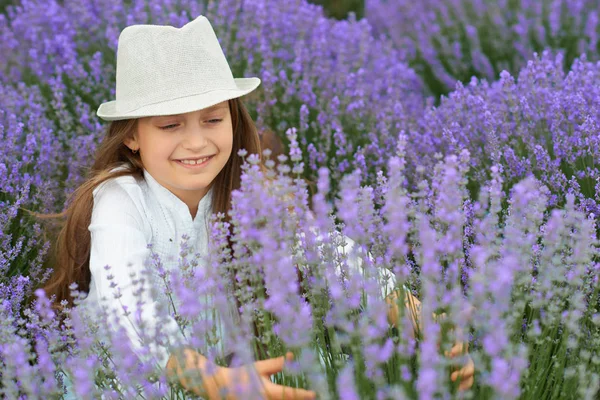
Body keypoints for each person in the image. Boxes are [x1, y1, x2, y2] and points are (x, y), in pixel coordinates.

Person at [38, 15, 473, 399]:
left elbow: (331, 253)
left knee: (323, 368)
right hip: (128, 379)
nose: (196, 142)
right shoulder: (120, 199)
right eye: (171, 125)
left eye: (213, 119)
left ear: (233, 118)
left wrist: (417, 314)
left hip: (231, 371)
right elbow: (126, 305)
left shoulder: (248, 191)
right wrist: (208, 379)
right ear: (132, 137)